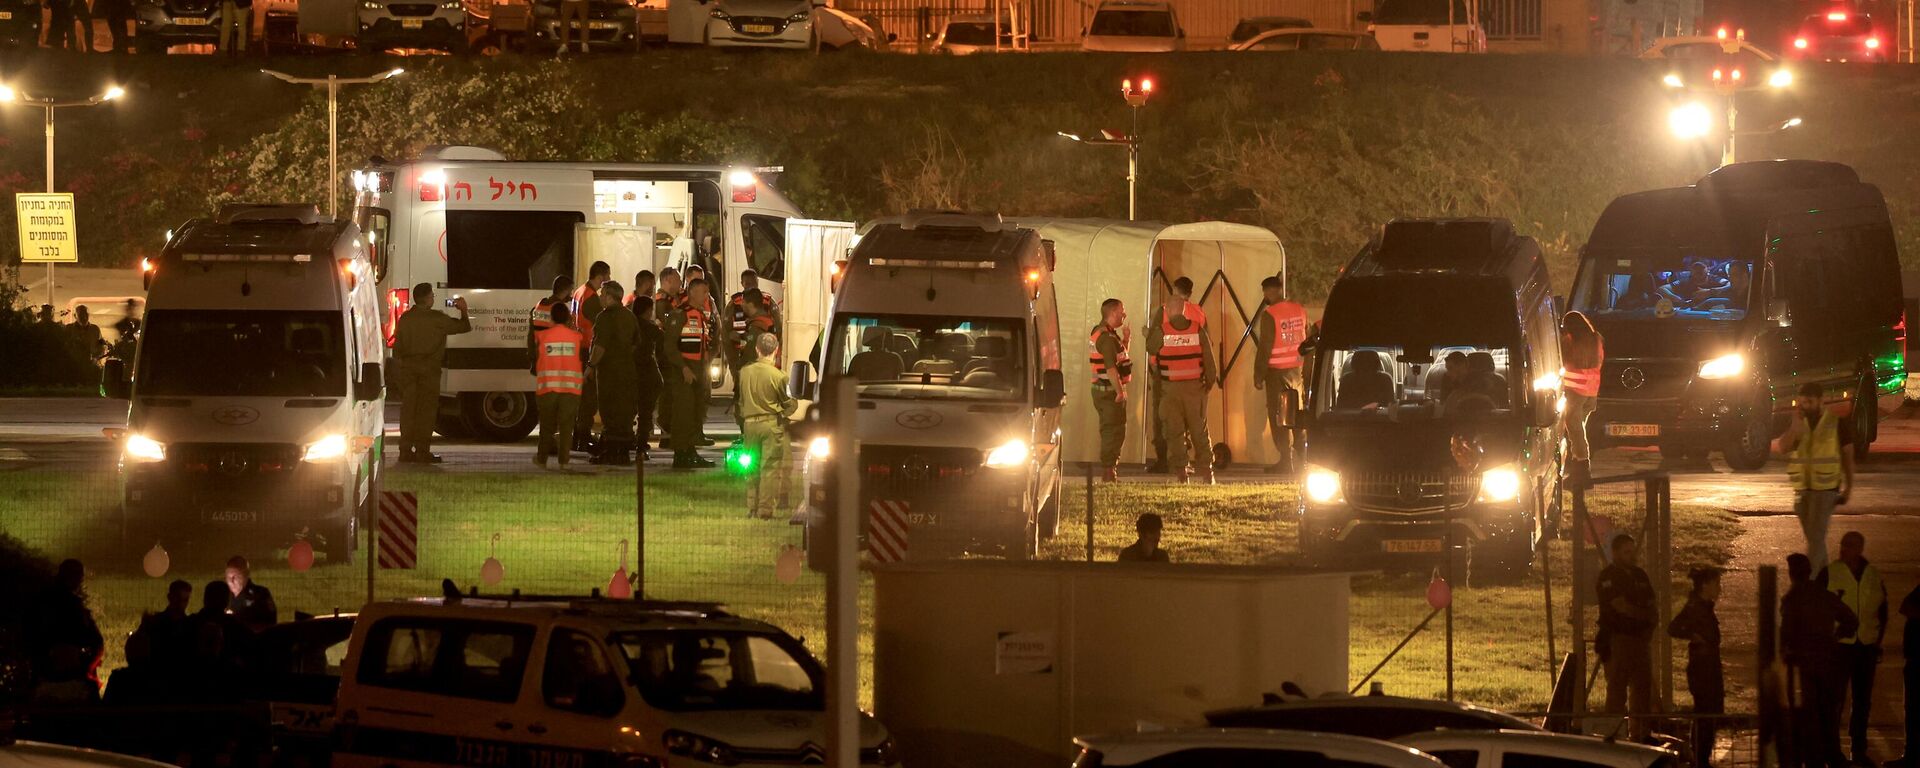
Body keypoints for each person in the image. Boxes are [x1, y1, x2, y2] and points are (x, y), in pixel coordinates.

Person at [1782, 552, 1858, 768]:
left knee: (1808, 715)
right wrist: (1836, 636)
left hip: (1803, 665)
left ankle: (1813, 758)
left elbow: (1786, 632)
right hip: (1828, 662)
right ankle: (1833, 755)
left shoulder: (1792, 599)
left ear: (1792, 574)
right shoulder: (1825, 596)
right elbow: (1851, 620)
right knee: (1828, 713)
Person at [1776, 382, 1855, 572]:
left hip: (1825, 492)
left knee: (1816, 540)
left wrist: (1849, 487)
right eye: (1802, 402)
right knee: (1815, 540)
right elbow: (1782, 448)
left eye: (1809, 402)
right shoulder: (1799, 424)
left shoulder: (1836, 424)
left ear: (1821, 401)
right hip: (1802, 492)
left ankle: (1808, 585)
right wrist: (1794, 427)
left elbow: (1848, 457)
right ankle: (1825, 580)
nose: (1805, 406)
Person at [1146, 277, 1217, 485]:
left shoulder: (1162, 331)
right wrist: (1208, 384)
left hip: (1170, 389)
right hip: (1195, 388)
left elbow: (1151, 349)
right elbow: (1209, 358)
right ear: (1185, 309)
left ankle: (1181, 473)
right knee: (1199, 430)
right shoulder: (1197, 327)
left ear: (1168, 310)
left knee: (1174, 431)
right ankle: (1207, 473)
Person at [1826, 531, 1888, 766]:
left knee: (1862, 701)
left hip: (1865, 647)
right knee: (1836, 701)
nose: (1844, 549)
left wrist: (1877, 642)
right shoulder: (1831, 572)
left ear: (1860, 548)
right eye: (1843, 544)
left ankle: (1858, 750)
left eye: (1850, 545)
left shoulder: (1872, 574)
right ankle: (1832, 751)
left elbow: (1882, 609)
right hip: (1840, 647)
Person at [392, 283, 471, 464]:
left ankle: (405, 451)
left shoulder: (405, 318)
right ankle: (422, 451)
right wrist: (463, 310)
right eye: (432, 295)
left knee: (408, 410)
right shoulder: (438, 319)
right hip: (429, 370)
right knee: (426, 411)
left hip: (408, 370)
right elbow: (465, 327)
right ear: (428, 298)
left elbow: (397, 349)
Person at [1598, 533, 1656, 742]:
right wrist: (1643, 615)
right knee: (1617, 689)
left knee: (1642, 689)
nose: (1632, 556)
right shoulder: (1608, 577)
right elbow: (1620, 606)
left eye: (1633, 551)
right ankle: (1614, 734)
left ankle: (1641, 734)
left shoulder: (1639, 575)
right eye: (1627, 552)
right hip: (1618, 639)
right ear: (1615, 553)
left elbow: (1651, 603)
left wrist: (1648, 623)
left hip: (1640, 640)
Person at [1669, 566, 1724, 767]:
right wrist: (1693, 636)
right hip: (1702, 669)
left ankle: (1702, 757)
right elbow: (1673, 627)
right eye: (1716, 584)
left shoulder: (1704, 606)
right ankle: (1700, 758)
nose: (1719, 588)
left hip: (1709, 666)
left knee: (1709, 712)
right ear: (1705, 585)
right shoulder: (1695, 607)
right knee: (1705, 713)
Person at [737, 333, 796, 519]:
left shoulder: (744, 372)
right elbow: (790, 404)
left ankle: (751, 507)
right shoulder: (780, 376)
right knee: (769, 468)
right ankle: (764, 510)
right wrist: (784, 412)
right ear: (776, 351)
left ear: (756, 349)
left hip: (749, 424)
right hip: (771, 425)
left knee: (750, 466)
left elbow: (740, 400)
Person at [27, 559, 103, 703]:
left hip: (46, 670)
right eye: (79, 577)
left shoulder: (40, 602)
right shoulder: (74, 606)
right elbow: (96, 640)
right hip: (68, 674)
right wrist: (87, 667)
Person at [1253, 276, 1307, 474]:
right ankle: (1304, 458)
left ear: (1271, 291)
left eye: (1265, 292)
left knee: (1279, 416)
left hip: (1277, 373)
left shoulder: (1270, 314)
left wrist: (1258, 374)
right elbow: (1306, 340)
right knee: (1297, 414)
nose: (1265, 296)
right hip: (1296, 372)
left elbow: (1265, 346)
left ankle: (1286, 461)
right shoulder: (1299, 310)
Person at [663, 278, 717, 468]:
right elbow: (669, 346)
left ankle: (690, 450)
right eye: (703, 292)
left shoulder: (700, 315)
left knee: (695, 413)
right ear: (692, 292)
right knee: (683, 413)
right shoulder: (680, 314)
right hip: (684, 371)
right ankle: (681, 454)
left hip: (698, 371)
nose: (706, 296)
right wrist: (683, 368)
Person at [590, 281, 640, 466]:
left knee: (609, 412)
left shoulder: (605, 317)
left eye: (603, 294)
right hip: (627, 371)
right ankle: (623, 453)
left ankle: (611, 453)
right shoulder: (629, 316)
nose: (600, 297)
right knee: (624, 413)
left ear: (610, 297)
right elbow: (636, 343)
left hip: (609, 374)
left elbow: (599, 346)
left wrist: (590, 365)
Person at [532, 303, 586, 470]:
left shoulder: (542, 336)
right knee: (566, 427)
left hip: (548, 388)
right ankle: (564, 462)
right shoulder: (577, 337)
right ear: (568, 317)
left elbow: (536, 358)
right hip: (570, 389)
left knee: (547, 427)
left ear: (552, 317)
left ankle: (542, 460)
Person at [1089, 298, 1132, 482]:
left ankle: (1110, 469)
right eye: (1122, 311)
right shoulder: (1106, 338)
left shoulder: (1105, 333)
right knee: (1112, 431)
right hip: (1109, 391)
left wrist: (1126, 340)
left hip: (1105, 389)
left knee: (1113, 429)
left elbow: (1119, 357)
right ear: (1113, 313)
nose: (1124, 314)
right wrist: (1120, 392)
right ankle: (1108, 472)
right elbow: (1111, 368)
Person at [1560, 311, 1604, 482]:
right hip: (1591, 391)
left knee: (1575, 431)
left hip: (1574, 391)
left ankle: (1582, 470)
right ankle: (1577, 469)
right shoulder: (1596, 339)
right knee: (1579, 430)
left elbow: (1563, 361)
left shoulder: (1569, 340)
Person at [573, 262, 612, 453]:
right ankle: (583, 437)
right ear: (601, 277)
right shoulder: (591, 297)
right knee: (588, 398)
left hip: (578, 348)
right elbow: (600, 323)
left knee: (582, 397)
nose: (609, 281)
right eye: (608, 276)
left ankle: (577, 436)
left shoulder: (580, 291)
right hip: (586, 349)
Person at [730, 290, 777, 434]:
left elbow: (751, 354)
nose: (741, 305)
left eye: (744, 302)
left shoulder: (757, 326)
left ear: (750, 304)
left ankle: (748, 439)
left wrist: (739, 369)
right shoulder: (767, 322)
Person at [632, 296, 665, 459]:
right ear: (647, 311)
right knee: (645, 413)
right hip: (647, 373)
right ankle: (640, 445)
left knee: (629, 411)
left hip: (630, 373)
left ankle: (625, 441)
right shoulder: (650, 328)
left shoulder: (629, 325)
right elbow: (663, 343)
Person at [653, 267, 684, 441]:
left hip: (670, 352)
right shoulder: (662, 303)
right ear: (667, 281)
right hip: (666, 354)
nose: (680, 282)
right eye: (677, 279)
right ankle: (665, 422)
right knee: (669, 388)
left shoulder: (672, 300)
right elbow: (670, 326)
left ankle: (667, 427)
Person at [1893, 584, 1920, 768]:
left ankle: (1912, 756)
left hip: (1917, 659)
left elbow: (1905, 607)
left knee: (1913, 709)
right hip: (1914, 658)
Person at [527, 274, 575, 364]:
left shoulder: (538, 306)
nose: (571, 294)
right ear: (566, 291)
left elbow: (531, 334)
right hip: (555, 358)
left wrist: (531, 354)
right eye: (571, 291)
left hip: (539, 357)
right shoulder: (561, 310)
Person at [224, 556, 277, 631]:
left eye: (235, 577)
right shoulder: (223, 595)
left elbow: (270, 622)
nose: (231, 581)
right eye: (228, 577)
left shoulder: (261, 594)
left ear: (246, 575)